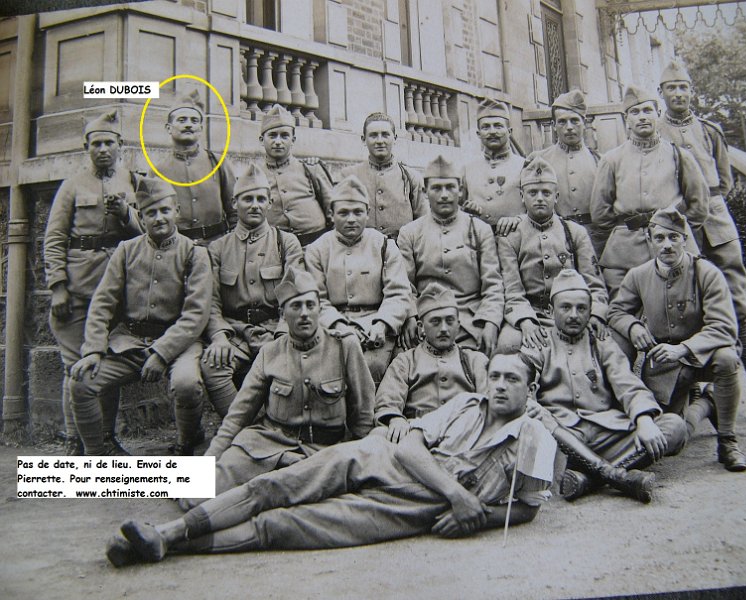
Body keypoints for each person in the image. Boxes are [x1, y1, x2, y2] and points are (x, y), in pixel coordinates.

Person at [106, 352, 557, 566]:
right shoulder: (465, 404)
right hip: (396, 462)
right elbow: (408, 446)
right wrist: (458, 494)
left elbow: (527, 509)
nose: (499, 385)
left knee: (287, 526)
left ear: (529, 388)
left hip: (418, 508)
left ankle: (161, 546)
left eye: (511, 379)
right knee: (279, 486)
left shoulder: (536, 437)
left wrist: (475, 515)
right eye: (494, 375)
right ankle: (168, 531)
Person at [656, 60, 746, 426]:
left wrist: (705, 206)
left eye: (684, 87)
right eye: (671, 88)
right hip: (680, 227)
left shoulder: (709, 130)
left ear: (692, 91)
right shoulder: (655, 131)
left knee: (739, 307)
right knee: (687, 312)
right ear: (662, 94)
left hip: (716, 224)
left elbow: (724, 182)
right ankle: (705, 399)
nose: (679, 94)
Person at [184, 267, 375, 507]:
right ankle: (142, 481)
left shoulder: (344, 346)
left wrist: (365, 455)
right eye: (296, 307)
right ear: (283, 314)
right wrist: (210, 460)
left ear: (319, 309)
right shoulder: (270, 352)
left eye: (310, 305)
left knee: (304, 503)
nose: (304, 313)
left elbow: (364, 414)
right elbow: (238, 415)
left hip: (322, 451)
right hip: (268, 445)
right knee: (195, 496)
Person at [69, 177, 212, 456]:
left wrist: (161, 353)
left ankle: (186, 443)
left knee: (186, 383)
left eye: (165, 211)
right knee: (81, 380)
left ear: (176, 212)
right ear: (141, 217)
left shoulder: (195, 254)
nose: (158, 218)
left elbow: (196, 315)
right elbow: (102, 303)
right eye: (150, 213)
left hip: (178, 343)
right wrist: (94, 350)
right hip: (130, 342)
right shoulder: (126, 250)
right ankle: (100, 451)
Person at [523, 269, 687, 502]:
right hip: (563, 439)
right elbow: (521, 387)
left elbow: (627, 384)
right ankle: (615, 475)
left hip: (608, 433)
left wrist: (643, 420)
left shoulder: (601, 342)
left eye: (581, 308)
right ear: (550, 311)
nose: (573, 315)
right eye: (565, 307)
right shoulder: (539, 344)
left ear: (590, 312)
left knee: (674, 426)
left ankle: (589, 480)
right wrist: (534, 408)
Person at [607, 208, 746, 472]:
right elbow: (616, 312)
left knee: (728, 359)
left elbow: (725, 328)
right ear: (649, 242)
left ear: (684, 239)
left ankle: (727, 440)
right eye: (659, 238)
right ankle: (707, 404)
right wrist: (633, 326)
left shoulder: (707, 273)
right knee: (673, 434)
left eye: (674, 237)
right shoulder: (638, 275)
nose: (667, 245)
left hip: (704, 354)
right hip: (665, 365)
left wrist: (683, 349)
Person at [43, 110, 144, 455]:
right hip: (76, 290)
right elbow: (54, 239)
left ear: (120, 146)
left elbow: (145, 232)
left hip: (115, 290)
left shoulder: (131, 181)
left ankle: (106, 437)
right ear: (86, 147)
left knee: (108, 364)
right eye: (96, 143)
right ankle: (75, 440)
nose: (103, 149)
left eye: (109, 143)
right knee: (75, 365)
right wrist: (57, 286)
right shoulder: (71, 186)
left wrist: (125, 214)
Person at [200, 164, 305, 418]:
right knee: (212, 368)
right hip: (235, 333)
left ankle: (268, 427)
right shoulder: (218, 248)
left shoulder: (286, 243)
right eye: (247, 199)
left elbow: (295, 296)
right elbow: (210, 302)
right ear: (235, 203)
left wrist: (283, 333)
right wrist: (219, 337)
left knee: (292, 369)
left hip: (274, 331)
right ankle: (243, 428)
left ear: (269, 202)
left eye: (260, 199)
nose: (254, 205)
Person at [590, 84, 709, 299]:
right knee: (625, 308)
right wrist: (628, 228)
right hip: (624, 251)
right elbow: (600, 212)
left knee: (681, 306)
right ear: (626, 120)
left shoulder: (679, 156)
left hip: (672, 247)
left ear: (658, 114)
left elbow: (699, 207)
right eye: (634, 112)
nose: (642, 117)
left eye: (647, 110)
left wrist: (674, 229)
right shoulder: (612, 159)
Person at [306, 176, 413, 385]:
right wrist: (338, 325)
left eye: (358, 212)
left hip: (376, 326)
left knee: (374, 368)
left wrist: (382, 324)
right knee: (328, 372)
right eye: (343, 213)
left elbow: (399, 293)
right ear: (331, 214)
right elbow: (315, 298)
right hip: (332, 326)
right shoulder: (317, 249)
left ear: (368, 213)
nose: (351, 219)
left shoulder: (383, 246)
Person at [497, 156, 608, 352]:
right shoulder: (512, 236)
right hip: (532, 313)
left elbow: (595, 285)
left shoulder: (575, 232)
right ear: (522, 196)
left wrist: (596, 315)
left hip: (571, 313)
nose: (540, 198)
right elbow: (512, 290)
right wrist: (525, 321)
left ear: (556, 196)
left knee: (602, 347)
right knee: (508, 346)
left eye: (546, 192)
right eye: (533, 192)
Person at [397, 155, 504, 354]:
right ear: (425, 191)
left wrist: (490, 322)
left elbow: (493, 285)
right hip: (427, 323)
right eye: (436, 188)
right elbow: (405, 286)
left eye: (450, 187)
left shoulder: (479, 229)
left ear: (460, 190)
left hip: (471, 324)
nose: (444, 195)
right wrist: (410, 316)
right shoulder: (410, 232)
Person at [374, 283, 489, 442]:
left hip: (462, 434)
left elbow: (490, 403)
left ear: (458, 324)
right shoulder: (406, 361)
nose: (443, 328)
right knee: (377, 438)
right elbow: (388, 401)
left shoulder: (475, 361)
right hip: (415, 433)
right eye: (435, 321)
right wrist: (395, 419)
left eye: (449, 321)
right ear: (421, 327)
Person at [152, 89, 236, 245]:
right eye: (182, 120)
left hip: (216, 246)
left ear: (201, 128)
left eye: (194, 120)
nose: (189, 125)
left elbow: (234, 210)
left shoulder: (217, 162)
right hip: (177, 248)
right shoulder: (158, 170)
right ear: (168, 128)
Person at [525, 89, 603, 253]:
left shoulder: (600, 161)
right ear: (553, 126)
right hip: (554, 238)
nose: (569, 127)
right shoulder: (538, 160)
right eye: (562, 122)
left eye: (575, 121)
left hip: (593, 239)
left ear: (584, 122)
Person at [339, 112, 428, 240]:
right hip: (363, 251)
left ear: (395, 138)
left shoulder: (411, 177)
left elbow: (423, 224)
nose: (380, 141)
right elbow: (340, 219)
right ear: (363, 139)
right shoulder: (349, 176)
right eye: (373, 135)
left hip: (401, 252)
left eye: (385, 135)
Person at [259, 104, 334, 247]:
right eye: (272, 135)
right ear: (262, 140)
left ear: (293, 140)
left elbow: (334, 210)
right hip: (276, 250)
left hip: (316, 246)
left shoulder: (311, 168)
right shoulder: (256, 176)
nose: (278, 141)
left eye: (284, 135)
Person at [462, 99, 526, 235]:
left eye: (498, 126)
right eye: (486, 127)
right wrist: (465, 211)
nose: (492, 132)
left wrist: (520, 219)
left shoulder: (524, 166)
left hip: (515, 240)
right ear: (478, 134)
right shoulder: (467, 168)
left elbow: (541, 209)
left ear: (509, 131)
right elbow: (454, 209)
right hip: (478, 242)